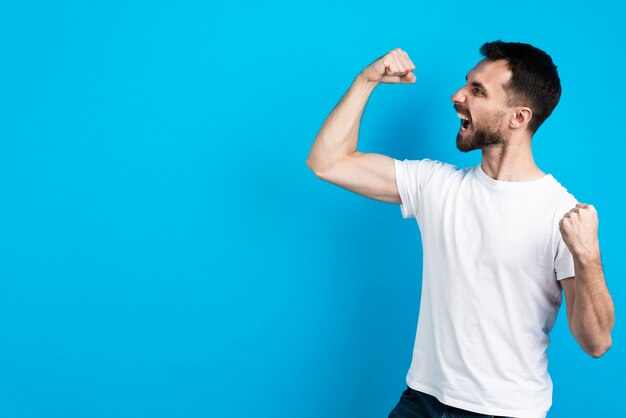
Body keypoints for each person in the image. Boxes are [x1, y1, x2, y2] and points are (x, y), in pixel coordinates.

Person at [306, 41, 615, 418]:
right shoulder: (436, 186)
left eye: (477, 91)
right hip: (421, 401)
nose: (458, 96)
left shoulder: (561, 213)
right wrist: (366, 80)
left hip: (505, 411)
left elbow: (596, 342)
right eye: (466, 83)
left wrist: (589, 257)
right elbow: (328, 162)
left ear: (518, 117)